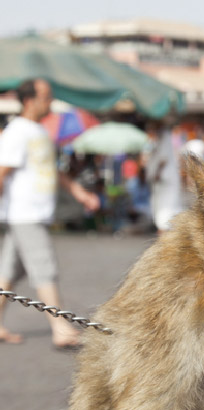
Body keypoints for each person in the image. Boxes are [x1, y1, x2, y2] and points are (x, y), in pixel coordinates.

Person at [0, 79, 100, 349]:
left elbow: (52, 170)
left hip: (32, 212)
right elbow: (2, 171)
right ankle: (60, 326)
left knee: (7, 272)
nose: (50, 102)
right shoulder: (17, 132)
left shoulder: (38, 132)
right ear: (30, 100)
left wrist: (79, 192)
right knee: (44, 267)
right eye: (46, 97)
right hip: (24, 213)